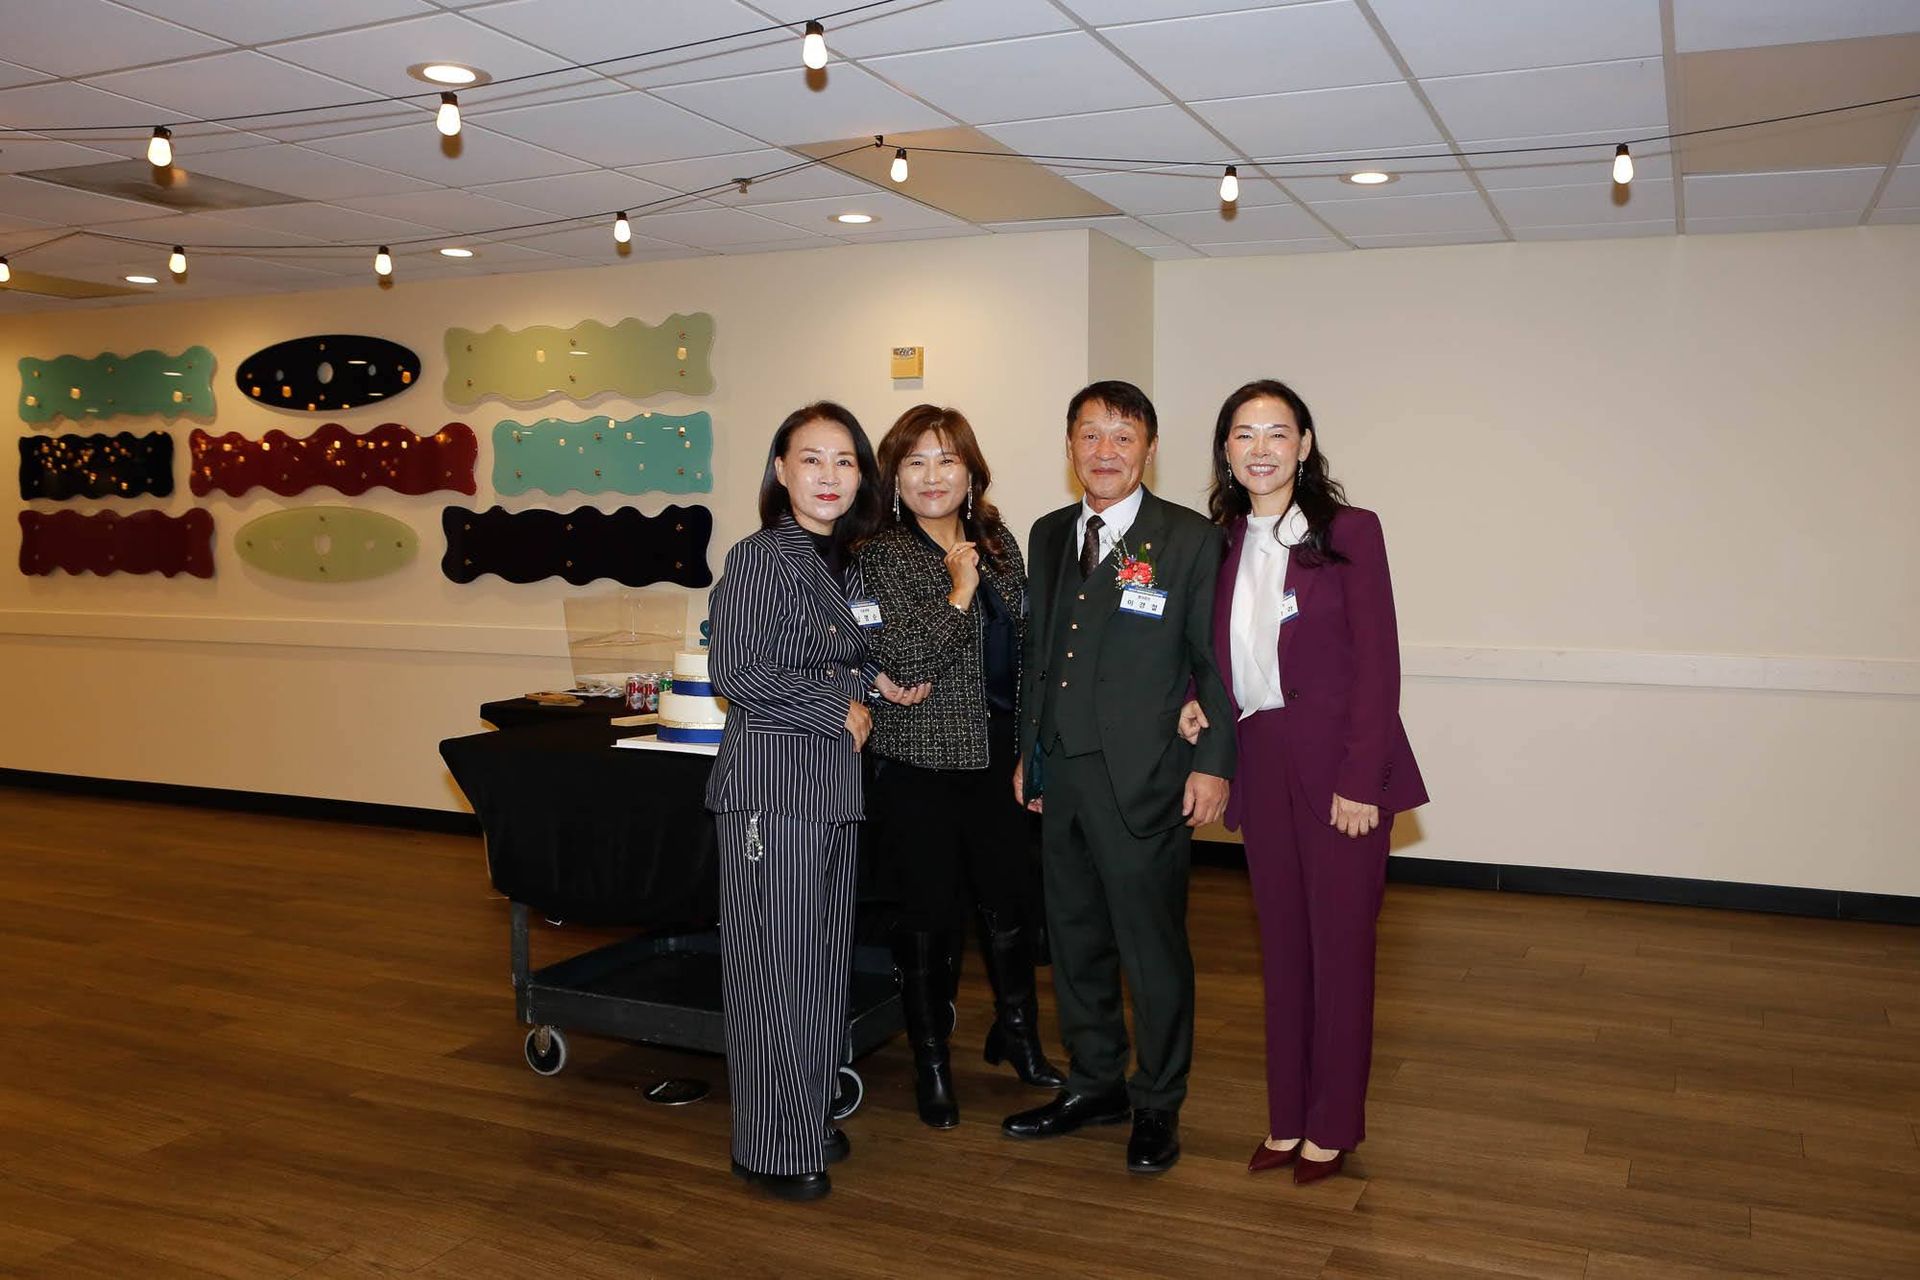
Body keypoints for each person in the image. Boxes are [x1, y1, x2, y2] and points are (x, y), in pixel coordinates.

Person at [1179, 378, 1428, 1184]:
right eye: (1244, 434)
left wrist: (1362, 779)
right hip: (1259, 759)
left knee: (1341, 953)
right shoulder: (1218, 544)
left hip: (1338, 767)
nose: (1261, 449)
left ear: (1305, 445)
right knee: (1282, 953)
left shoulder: (1350, 532)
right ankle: (1286, 1118)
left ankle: (1333, 1126)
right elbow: (1213, 651)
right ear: (1225, 450)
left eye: (1277, 432)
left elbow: (1378, 666)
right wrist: (1197, 699)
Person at [1001, 380, 1236, 1174]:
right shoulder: (1047, 533)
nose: (1105, 452)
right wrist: (1030, 752)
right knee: (1074, 942)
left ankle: (1158, 1101)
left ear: (1150, 449)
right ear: (1069, 446)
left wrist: (1213, 764)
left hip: (1146, 778)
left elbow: (1214, 663)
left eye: (1123, 436)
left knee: (1151, 950)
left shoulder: (1189, 540)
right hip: (1061, 773)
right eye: (1090, 435)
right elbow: (1040, 656)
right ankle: (1095, 1082)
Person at [704, 401, 923, 1202]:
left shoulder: (846, 562)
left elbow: (837, 656)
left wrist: (877, 682)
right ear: (781, 470)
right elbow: (737, 671)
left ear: (861, 476)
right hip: (772, 791)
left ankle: (803, 1115)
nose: (829, 475)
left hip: (832, 790)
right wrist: (837, 706)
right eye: (811, 458)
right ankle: (769, 1147)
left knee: (822, 968)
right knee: (773, 973)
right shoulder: (760, 556)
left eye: (844, 461)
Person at [859, 405, 1065, 1130]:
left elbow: (1033, 648)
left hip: (999, 757)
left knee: (1010, 905)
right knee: (928, 917)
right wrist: (958, 590)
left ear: (971, 472)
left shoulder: (998, 542)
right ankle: (932, 1061)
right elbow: (907, 659)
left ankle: (1018, 1036)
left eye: (947, 459)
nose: (932, 476)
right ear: (894, 478)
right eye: (914, 462)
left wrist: (1035, 747)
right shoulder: (882, 555)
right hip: (920, 764)